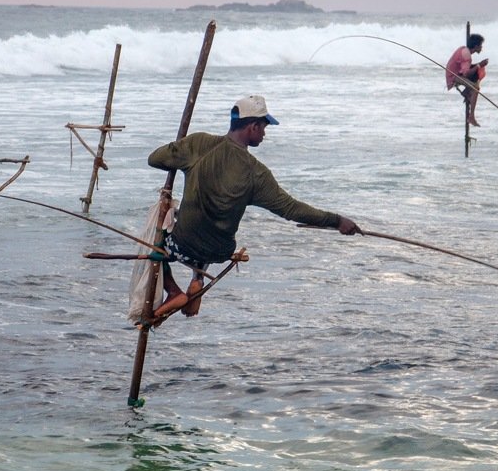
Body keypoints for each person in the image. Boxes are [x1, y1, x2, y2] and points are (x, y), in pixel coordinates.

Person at [146, 94, 361, 318]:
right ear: (253, 126)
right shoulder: (256, 173)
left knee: (159, 239)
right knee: (207, 232)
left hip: (184, 245)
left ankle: (173, 290)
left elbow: (154, 159)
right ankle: (197, 279)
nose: (265, 134)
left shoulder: (198, 144)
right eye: (264, 128)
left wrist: (180, 150)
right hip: (220, 251)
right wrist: (337, 220)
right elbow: (292, 210)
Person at [445, 33, 488, 126]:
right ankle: (471, 117)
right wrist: (479, 65)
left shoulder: (465, 50)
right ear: (476, 46)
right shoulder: (466, 55)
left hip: (458, 72)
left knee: (479, 71)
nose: (482, 48)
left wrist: (479, 66)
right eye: (480, 46)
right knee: (476, 88)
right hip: (454, 76)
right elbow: (466, 73)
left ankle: (466, 92)